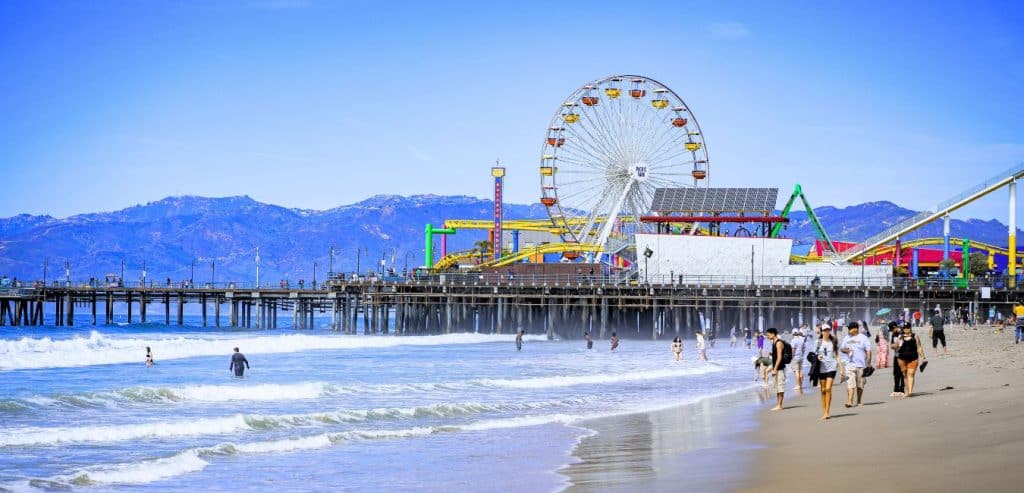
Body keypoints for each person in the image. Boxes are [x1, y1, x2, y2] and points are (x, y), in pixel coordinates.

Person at [840, 322, 872, 407]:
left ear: (856, 329)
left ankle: (858, 401)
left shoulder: (863, 338)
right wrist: (846, 350)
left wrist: (868, 364)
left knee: (860, 384)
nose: (848, 330)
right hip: (849, 363)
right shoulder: (846, 338)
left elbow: (868, 351)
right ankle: (849, 401)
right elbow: (842, 348)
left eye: (850, 328)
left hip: (861, 364)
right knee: (850, 383)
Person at [893, 323, 926, 398]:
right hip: (902, 359)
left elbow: (919, 347)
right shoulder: (900, 337)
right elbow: (896, 346)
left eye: (907, 327)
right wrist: (895, 345)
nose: (906, 329)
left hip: (913, 358)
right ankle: (907, 390)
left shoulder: (915, 336)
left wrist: (923, 357)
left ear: (910, 328)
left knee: (911, 374)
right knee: (905, 375)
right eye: (904, 328)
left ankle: (910, 392)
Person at [816, 326, 840, 420]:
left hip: (832, 367)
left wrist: (841, 369)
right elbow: (815, 354)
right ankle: (824, 410)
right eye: (824, 330)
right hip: (821, 368)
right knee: (823, 390)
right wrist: (818, 357)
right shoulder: (818, 342)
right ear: (821, 332)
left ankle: (827, 412)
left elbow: (837, 356)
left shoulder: (833, 342)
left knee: (828, 388)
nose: (826, 332)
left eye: (828, 330)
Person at [766, 328, 786, 411]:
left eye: (768, 334)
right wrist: (771, 353)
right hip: (776, 367)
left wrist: (775, 369)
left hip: (780, 368)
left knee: (780, 386)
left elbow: (780, 357)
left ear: (773, 334)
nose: (767, 336)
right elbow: (777, 355)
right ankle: (778, 404)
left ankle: (780, 405)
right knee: (776, 387)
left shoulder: (778, 343)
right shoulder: (773, 342)